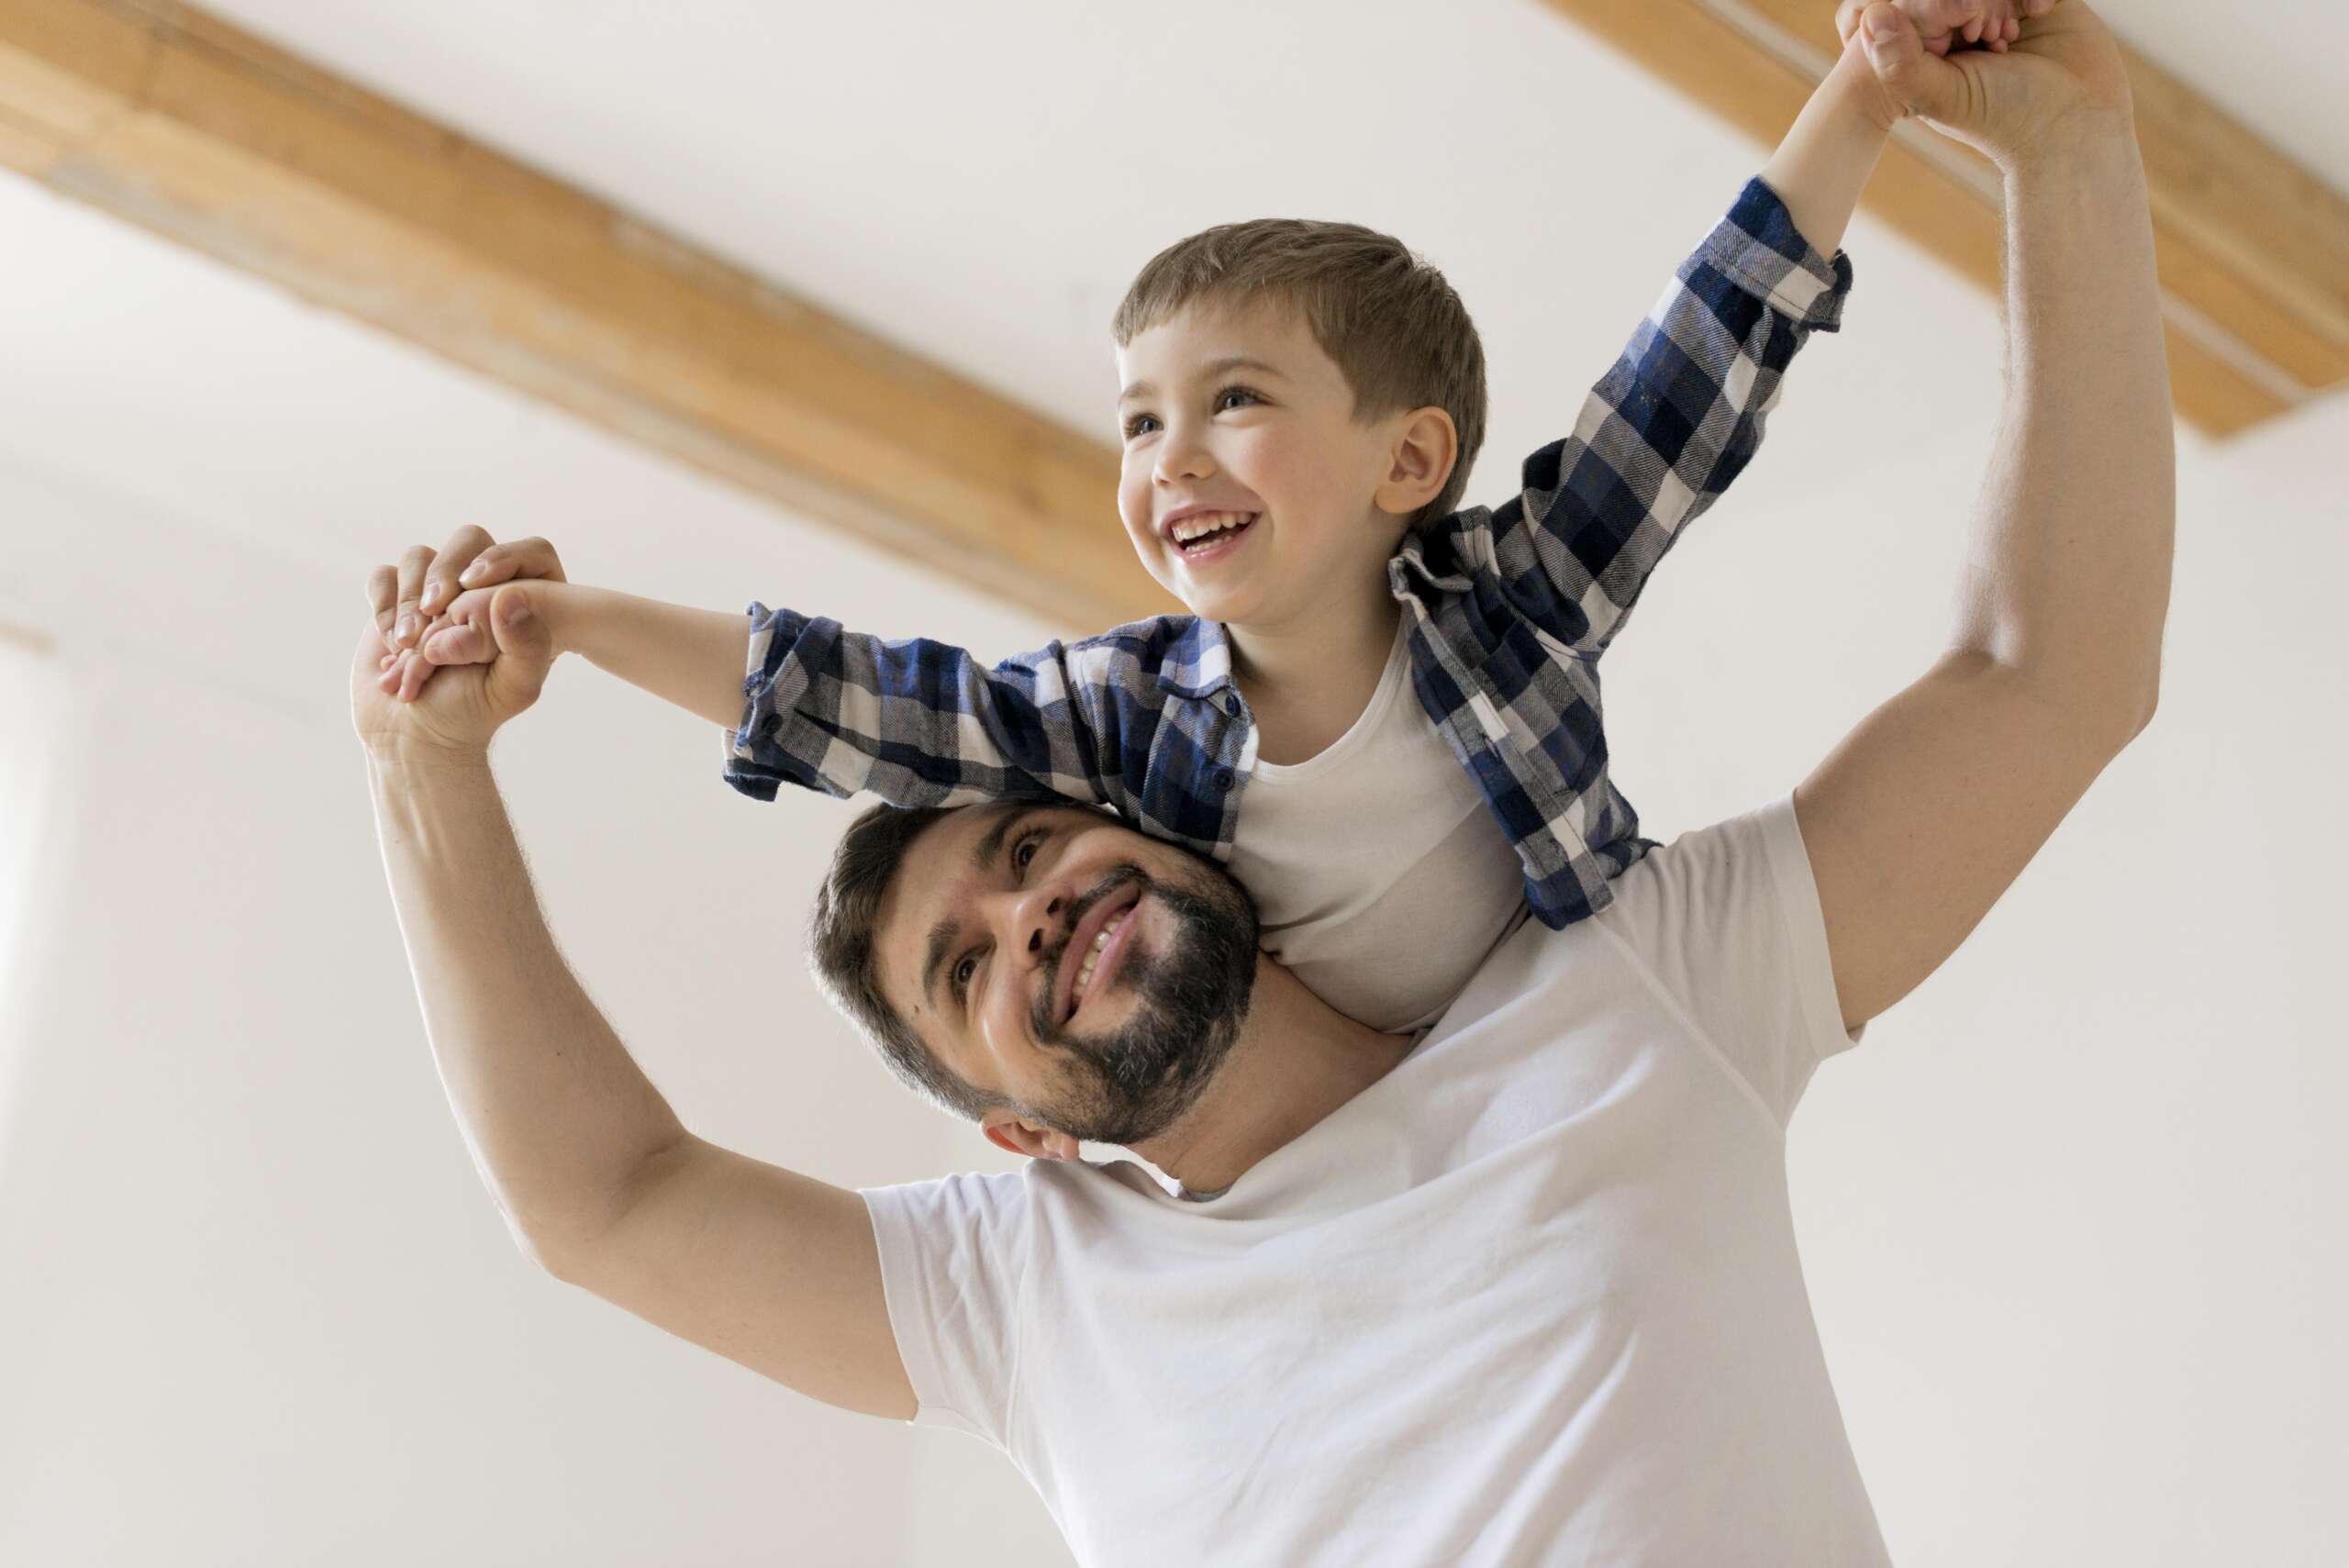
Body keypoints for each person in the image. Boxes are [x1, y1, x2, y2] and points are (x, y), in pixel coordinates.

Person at [353, 3, 2169, 1562]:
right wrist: (423, 771)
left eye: (1023, 847)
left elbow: (2044, 675)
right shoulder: (1026, 1290)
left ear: (1167, 817)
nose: (1024, 917)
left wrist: (2066, 162)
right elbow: (601, 1204)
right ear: (1016, 1135)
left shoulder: (1640, 992)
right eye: (961, 974)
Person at [372, 0, 2062, 1051]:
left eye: (1233, 399)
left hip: (1587, 1032)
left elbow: (1698, 364)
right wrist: (573, 624)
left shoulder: (1515, 599)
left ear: (1410, 461)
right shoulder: (1127, 715)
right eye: (1138, 420)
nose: (1171, 455)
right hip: (1373, 1127)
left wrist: (1869, 81)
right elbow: (861, 700)